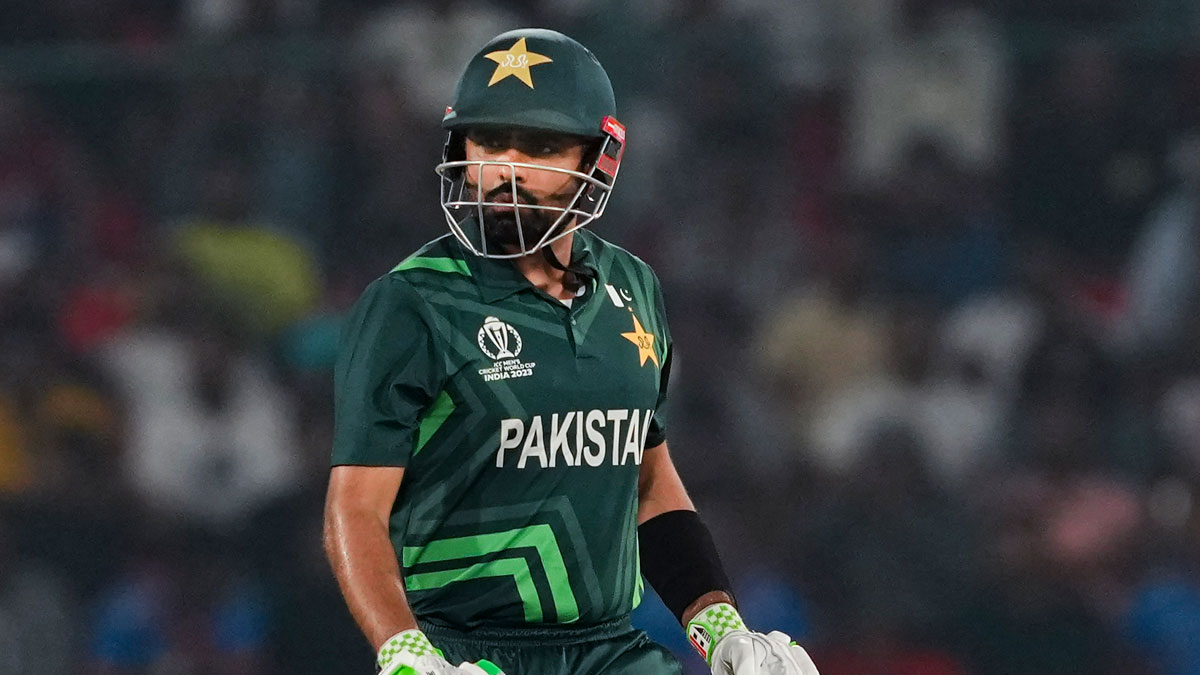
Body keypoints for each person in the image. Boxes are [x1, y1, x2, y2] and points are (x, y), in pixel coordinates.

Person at [323, 28, 820, 675]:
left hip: (612, 650)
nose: (506, 168)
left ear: (599, 160)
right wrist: (406, 652)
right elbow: (356, 509)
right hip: (463, 655)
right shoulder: (410, 303)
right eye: (488, 141)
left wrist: (722, 631)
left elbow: (647, 483)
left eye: (539, 145)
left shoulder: (634, 286)